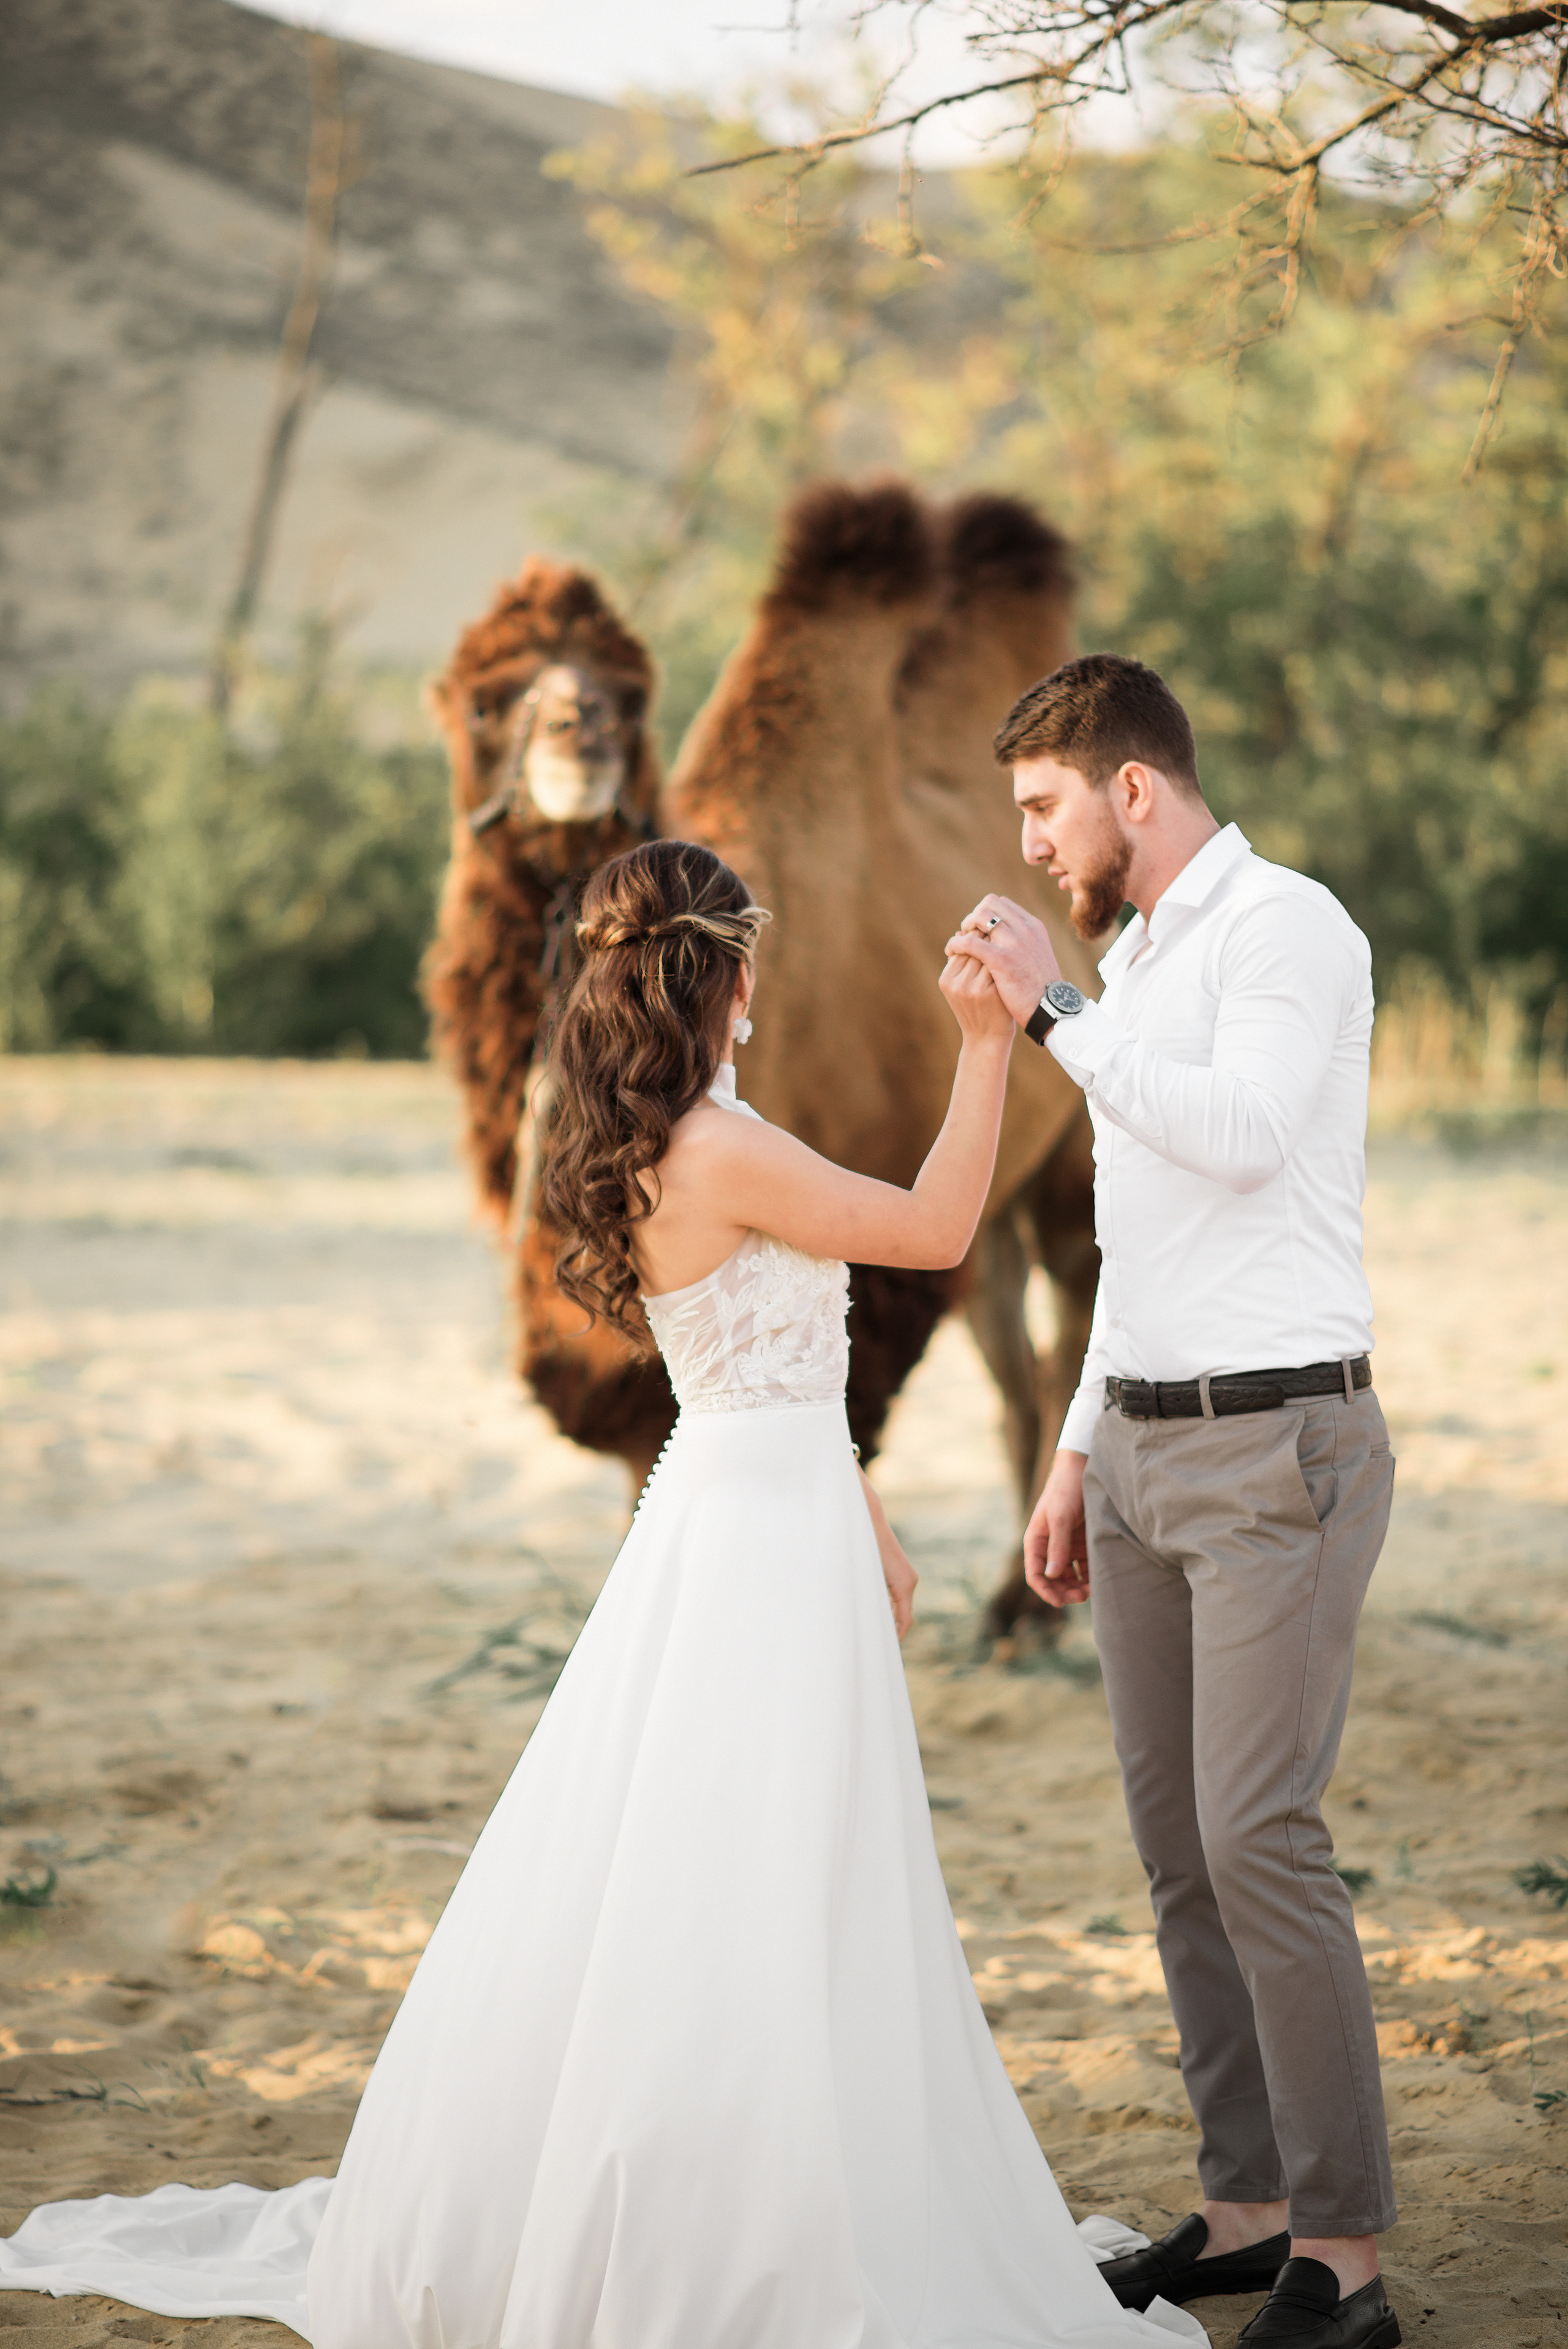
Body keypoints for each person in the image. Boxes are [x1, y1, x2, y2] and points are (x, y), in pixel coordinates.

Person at [1, 838, 1206, 2349]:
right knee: (747, 1864)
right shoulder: (713, 1150)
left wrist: (861, 1494)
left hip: (761, 1503)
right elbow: (932, 1233)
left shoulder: (692, 1133)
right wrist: (983, 1052)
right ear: (734, 977)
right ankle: (728, 2210)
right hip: (750, 1547)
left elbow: (758, 1361)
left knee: (764, 1856)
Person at [946, 655, 1402, 2349]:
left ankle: (1345, 2257)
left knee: (1258, 1837)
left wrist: (1058, 1012)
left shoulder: (1289, 927)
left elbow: (1243, 1134)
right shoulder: (1137, 961)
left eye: (1044, 807)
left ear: (1132, 790)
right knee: (1175, 1851)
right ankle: (1248, 2201)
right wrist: (1075, 1452)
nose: (1037, 844)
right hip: (1140, 1448)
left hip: (1280, 1447)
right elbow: (1139, 1250)